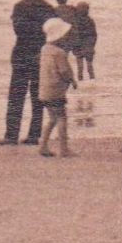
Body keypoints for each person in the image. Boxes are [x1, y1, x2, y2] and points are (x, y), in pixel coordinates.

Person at [0, 0, 56, 145]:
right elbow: (54, 31)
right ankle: (34, 135)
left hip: (22, 52)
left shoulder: (20, 6)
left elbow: (19, 30)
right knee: (37, 96)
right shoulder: (47, 7)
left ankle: (11, 135)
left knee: (16, 95)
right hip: (41, 53)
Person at [38, 18, 77, 159]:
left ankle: (43, 146)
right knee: (61, 118)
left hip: (44, 90)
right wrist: (72, 80)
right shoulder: (59, 53)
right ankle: (64, 149)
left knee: (52, 119)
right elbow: (64, 71)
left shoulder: (44, 49)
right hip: (56, 91)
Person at [70, 2, 98, 81]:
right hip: (88, 45)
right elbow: (94, 34)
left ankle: (80, 81)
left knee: (80, 66)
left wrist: (73, 44)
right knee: (90, 66)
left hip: (78, 45)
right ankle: (92, 81)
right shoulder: (90, 20)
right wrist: (92, 45)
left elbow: (73, 33)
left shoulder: (75, 20)